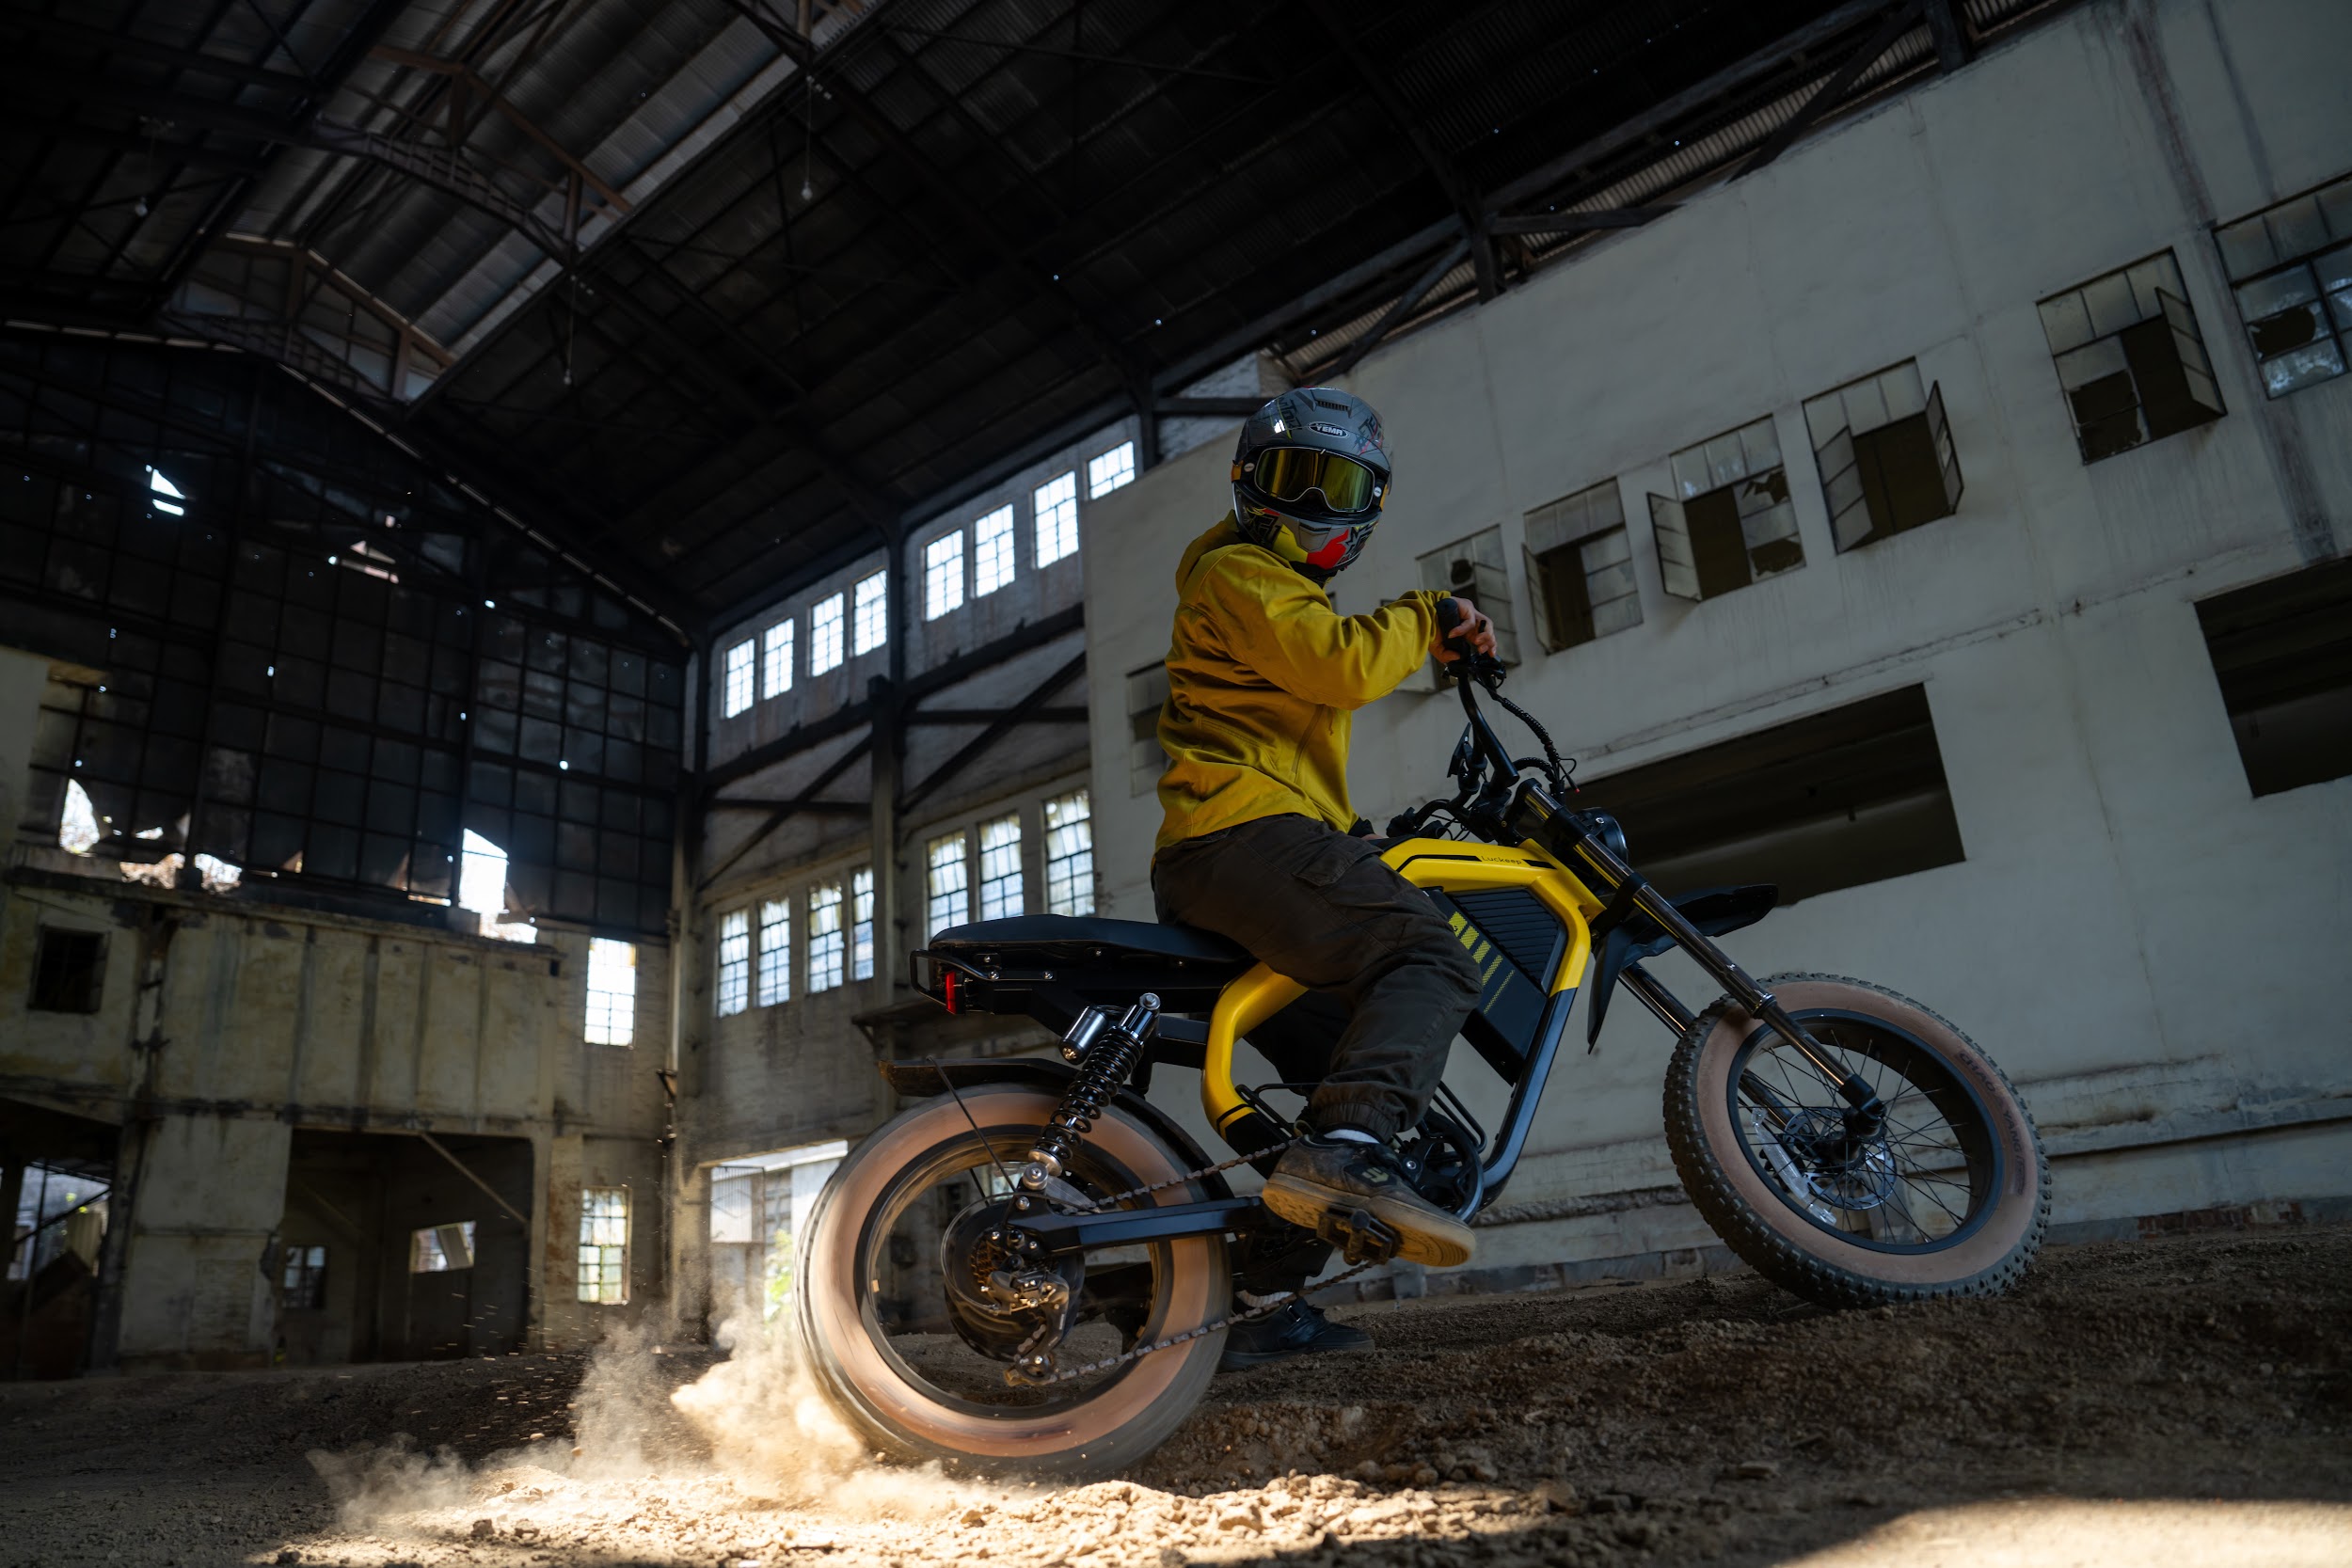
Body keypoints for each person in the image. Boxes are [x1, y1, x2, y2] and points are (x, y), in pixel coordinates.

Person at [1149, 388, 1497, 1370]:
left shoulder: (1267, 589)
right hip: (1233, 838)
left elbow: (1283, 726)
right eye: (1296, 478)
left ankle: (1250, 1296)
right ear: (1249, 485)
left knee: (1347, 1063)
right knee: (1428, 953)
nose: (1312, 502)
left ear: (1366, 502)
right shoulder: (1239, 571)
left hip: (1251, 840)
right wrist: (1430, 613)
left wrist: (1348, 833)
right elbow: (1338, 667)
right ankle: (1343, 1157)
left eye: (1335, 484)